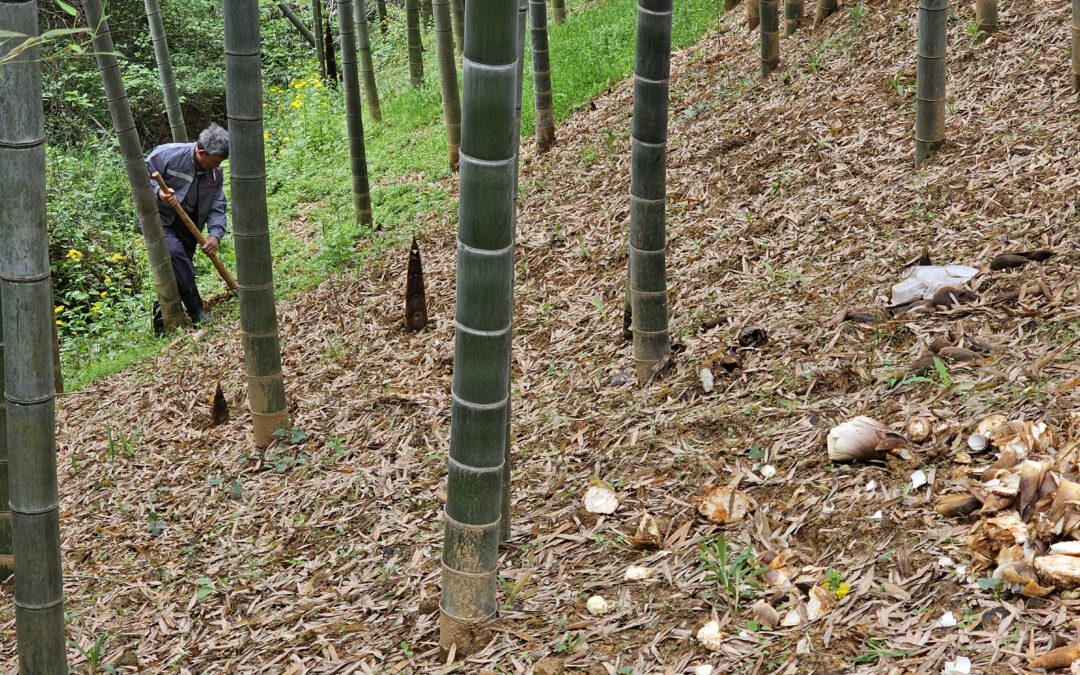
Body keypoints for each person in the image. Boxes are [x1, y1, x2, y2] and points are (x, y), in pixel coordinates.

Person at [145, 124, 229, 331]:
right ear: (201, 152)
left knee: (176, 270)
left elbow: (218, 204)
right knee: (174, 255)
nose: (217, 165)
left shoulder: (215, 173)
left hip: (190, 223)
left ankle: (161, 323)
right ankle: (196, 310)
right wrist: (159, 193)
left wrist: (215, 235)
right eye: (215, 161)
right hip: (159, 220)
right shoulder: (166, 155)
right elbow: (140, 179)